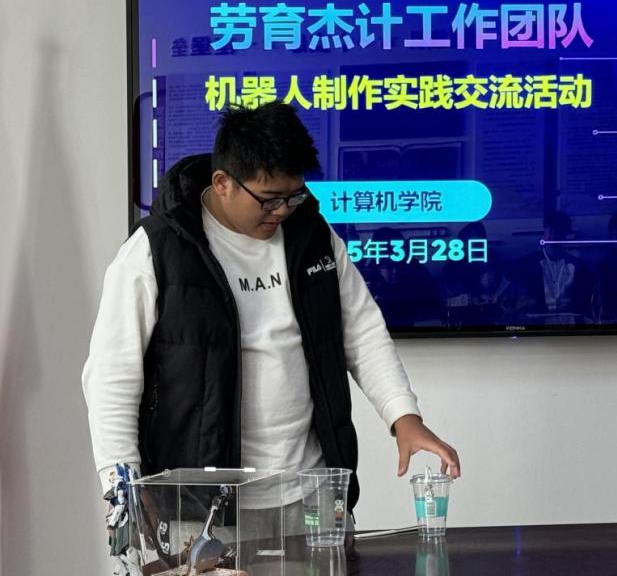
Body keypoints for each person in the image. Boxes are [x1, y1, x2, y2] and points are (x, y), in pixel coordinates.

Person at [82, 101, 460, 550]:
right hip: (198, 509)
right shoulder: (156, 250)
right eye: (269, 199)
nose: (282, 211)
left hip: (312, 495)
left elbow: (362, 332)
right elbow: (112, 378)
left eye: (293, 196)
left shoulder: (313, 237)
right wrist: (122, 489)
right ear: (222, 183)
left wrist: (404, 416)